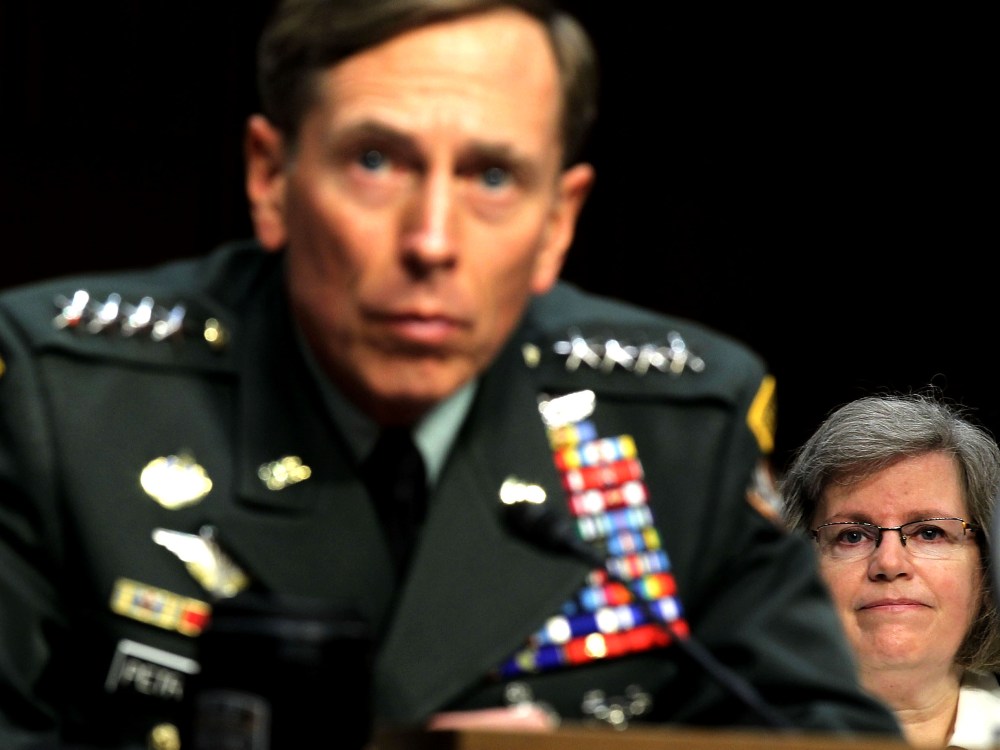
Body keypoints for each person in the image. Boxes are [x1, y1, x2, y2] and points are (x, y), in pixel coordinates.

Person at [0, 1, 903, 748]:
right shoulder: (63, 398)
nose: (432, 240)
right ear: (271, 178)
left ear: (558, 222)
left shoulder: (679, 423)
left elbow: (829, 738)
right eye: (375, 162)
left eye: (493, 177)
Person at [781, 392, 1000, 748]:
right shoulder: (724, 733)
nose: (889, 563)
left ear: (987, 566)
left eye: (930, 533)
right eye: (852, 536)